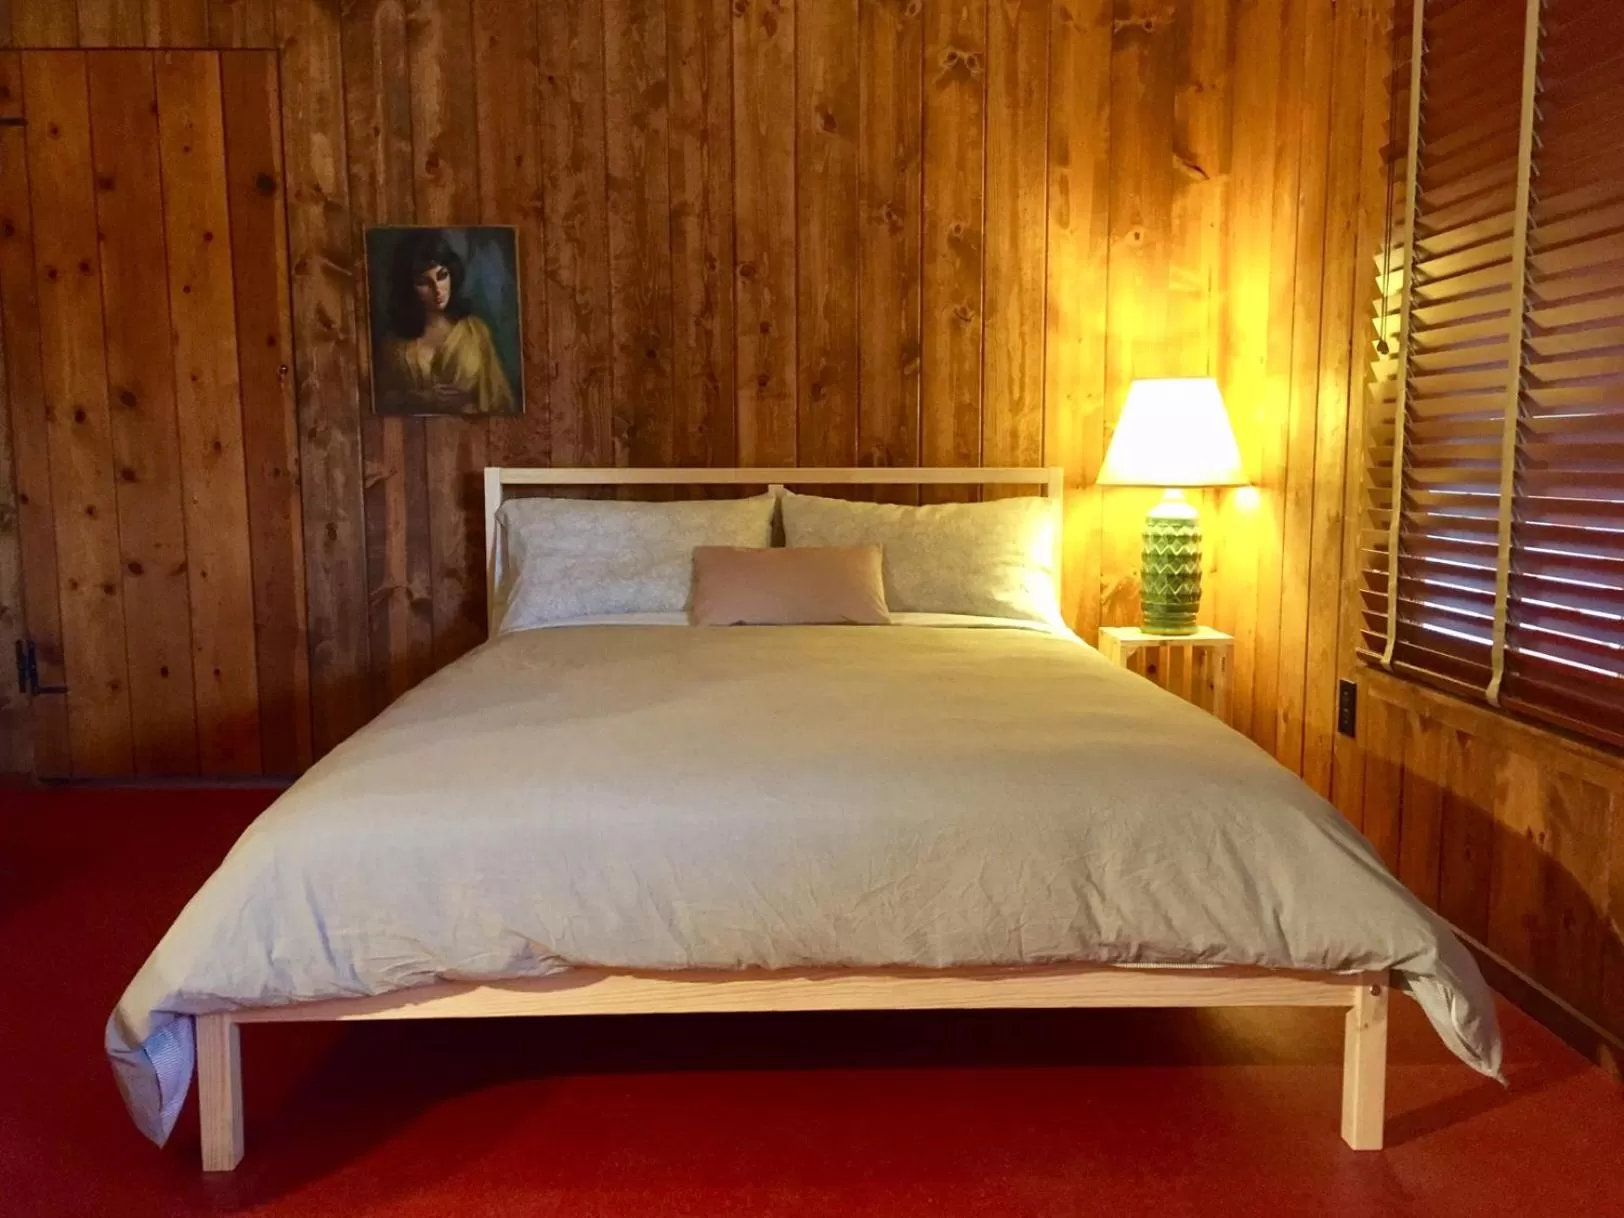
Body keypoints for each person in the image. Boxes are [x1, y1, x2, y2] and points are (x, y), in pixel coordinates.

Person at [376, 230, 516, 416]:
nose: (437, 289)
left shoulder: (475, 332)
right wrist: (420, 401)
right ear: (408, 286)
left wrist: (465, 407)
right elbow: (379, 403)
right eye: (424, 282)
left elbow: (501, 404)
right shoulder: (393, 342)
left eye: (442, 276)